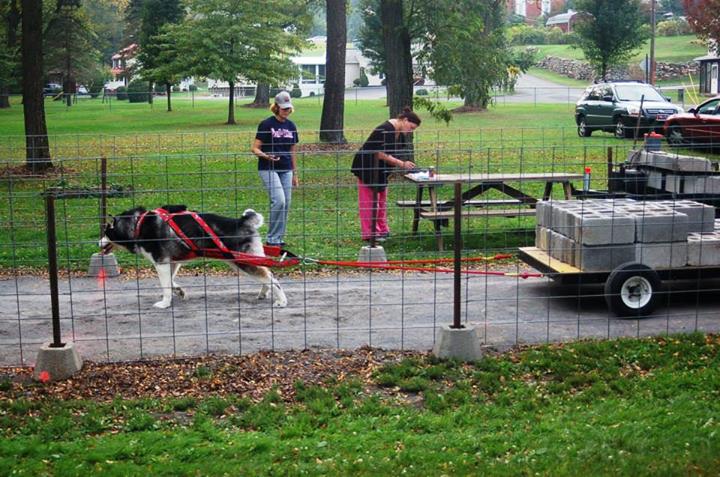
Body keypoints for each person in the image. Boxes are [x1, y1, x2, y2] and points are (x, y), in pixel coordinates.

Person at [351, 108, 421, 242]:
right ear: (405, 120)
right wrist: (400, 163)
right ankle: (370, 233)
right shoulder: (384, 129)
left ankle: (382, 229)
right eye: (411, 127)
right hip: (367, 167)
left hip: (382, 170)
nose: (410, 131)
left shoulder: (399, 134)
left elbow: (393, 152)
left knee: (381, 200)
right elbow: (378, 153)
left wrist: (402, 165)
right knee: (369, 202)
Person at [251, 91, 299, 247]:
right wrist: (266, 156)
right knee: (279, 200)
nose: (287, 111)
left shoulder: (291, 126)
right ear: (276, 107)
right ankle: (272, 238)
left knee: (287, 203)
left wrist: (295, 173)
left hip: (286, 168)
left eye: (289, 108)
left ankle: (278, 238)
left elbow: (292, 151)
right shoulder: (266, 124)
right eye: (284, 108)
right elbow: (255, 148)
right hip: (268, 168)